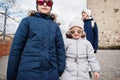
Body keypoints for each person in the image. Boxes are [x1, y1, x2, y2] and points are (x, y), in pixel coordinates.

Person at [7, 0, 66, 80]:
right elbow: (16, 48)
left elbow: (60, 49)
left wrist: (59, 69)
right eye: (41, 2)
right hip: (28, 73)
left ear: (51, 7)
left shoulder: (55, 26)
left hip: (51, 73)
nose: (45, 4)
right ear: (37, 5)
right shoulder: (27, 21)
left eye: (48, 3)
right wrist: (11, 75)